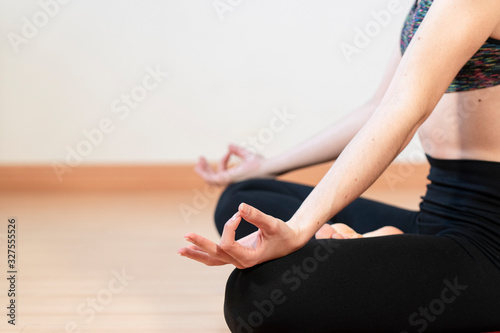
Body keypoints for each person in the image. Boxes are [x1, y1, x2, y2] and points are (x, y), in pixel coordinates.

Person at [178, 0, 500, 331]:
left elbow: (405, 108)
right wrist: (268, 166)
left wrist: (302, 228)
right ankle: (385, 245)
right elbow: (380, 106)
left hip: (490, 243)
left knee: (257, 295)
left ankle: (384, 251)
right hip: (434, 218)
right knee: (245, 197)